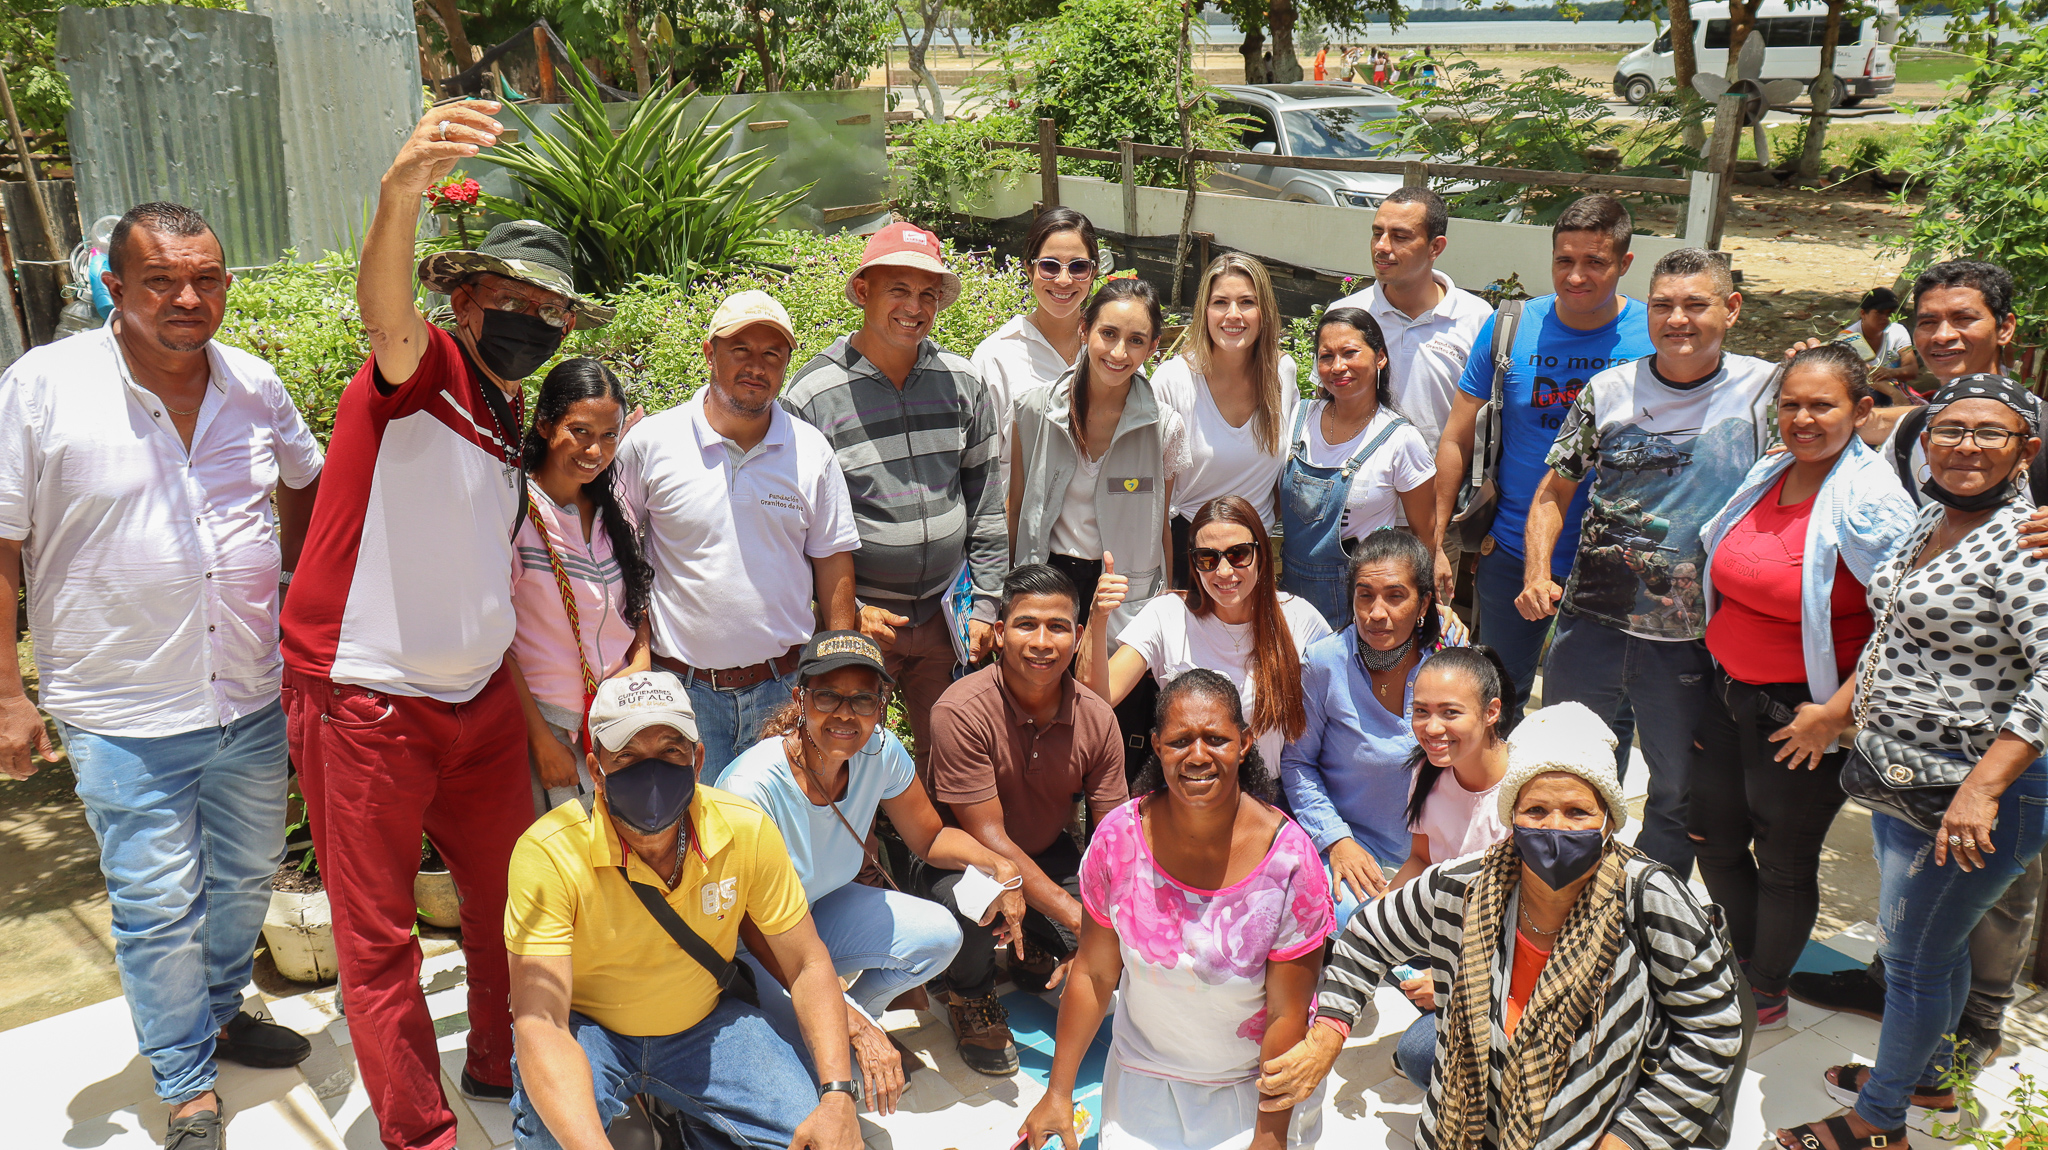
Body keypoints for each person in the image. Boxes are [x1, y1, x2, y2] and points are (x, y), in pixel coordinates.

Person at [281, 100, 612, 1150]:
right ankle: (419, 1133)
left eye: (547, 308)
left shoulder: (504, 409)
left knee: (509, 903)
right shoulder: (418, 373)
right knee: (378, 943)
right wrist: (399, 191)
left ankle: (501, 1060)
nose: (526, 316)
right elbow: (384, 316)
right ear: (461, 299)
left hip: (473, 710)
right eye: (504, 295)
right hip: (368, 704)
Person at [0, 201, 322, 1150]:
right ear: (114, 282)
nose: (188, 297)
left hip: (247, 693)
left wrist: (293, 593)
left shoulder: (255, 386)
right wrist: (7, 694)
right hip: (116, 705)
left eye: (206, 278)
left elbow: (306, 477)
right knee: (154, 908)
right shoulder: (43, 386)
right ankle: (185, 1082)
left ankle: (217, 1012)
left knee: (246, 880)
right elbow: (2, 546)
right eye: (160, 280)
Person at [1258, 701, 1745, 1150]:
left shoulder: (1650, 899)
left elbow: (1713, 1033)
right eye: (1536, 810)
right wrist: (1328, 1032)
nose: (1555, 827)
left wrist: (1630, 1139)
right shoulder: (1463, 887)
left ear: (1609, 821)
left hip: (1589, 1130)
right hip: (1460, 1126)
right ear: (1511, 817)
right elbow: (1367, 936)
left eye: (1578, 812)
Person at [1771, 373, 2048, 1150]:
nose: (1966, 445)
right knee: (1931, 947)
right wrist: (1838, 712)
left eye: (1989, 433)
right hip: (1907, 780)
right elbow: (1893, 634)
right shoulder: (1931, 516)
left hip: (1980, 793)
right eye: (1949, 429)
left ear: (2023, 450)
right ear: (1925, 443)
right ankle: (1924, 1081)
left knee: (1917, 957)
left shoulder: (2028, 547)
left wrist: (1982, 791)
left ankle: (1878, 1122)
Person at [503, 671, 864, 1150]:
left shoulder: (745, 830)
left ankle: (691, 1122)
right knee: (553, 1135)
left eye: (670, 752)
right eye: (627, 756)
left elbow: (807, 963)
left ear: (697, 760)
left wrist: (838, 1096)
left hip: (704, 1025)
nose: (650, 773)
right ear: (596, 769)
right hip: (591, 1031)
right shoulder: (548, 854)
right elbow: (540, 1019)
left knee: (817, 1135)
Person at [1519, 247, 1777, 874]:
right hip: (1591, 625)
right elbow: (1554, 491)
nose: (1677, 319)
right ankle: (1560, 893)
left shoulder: (1767, 392)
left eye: (1696, 304)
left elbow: (1846, 432)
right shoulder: (1609, 389)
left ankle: (1652, 917)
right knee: (1562, 771)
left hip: (1692, 639)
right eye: (1663, 305)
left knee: (1674, 795)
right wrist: (1536, 572)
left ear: (1732, 309)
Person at [1690, 344, 1918, 1029]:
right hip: (1728, 692)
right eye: (1791, 404)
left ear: (1862, 410)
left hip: (1803, 714)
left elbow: (1906, 621)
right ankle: (1738, 954)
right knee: (1711, 836)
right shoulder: (1771, 471)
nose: (1803, 418)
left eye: (1823, 404)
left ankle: (1764, 988)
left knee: (1783, 857)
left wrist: (1835, 714)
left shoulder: (1870, 500)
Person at [1019, 670, 1335, 1150]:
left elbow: (1286, 1015)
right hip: (1143, 1075)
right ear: (1158, 746)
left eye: (1216, 738)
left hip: (1253, 1088)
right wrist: (1058, 1092)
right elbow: (1095, 974)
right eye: (1181, 740)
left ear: (1245, 743)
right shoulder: (1118, 840)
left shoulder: (1292, 862)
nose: (1198, 755)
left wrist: (1269, 1139)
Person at [717, 630, 1026, 1094]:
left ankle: (860, 1017)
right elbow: (748, 924)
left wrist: (999, 866)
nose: (846, 714)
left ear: (880, 707)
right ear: (801, 699)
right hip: (755, 944)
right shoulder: (751, 787)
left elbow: (930, 836)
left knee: (941, 935)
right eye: (828, 696)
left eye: (863, 700)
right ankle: (832, 1030)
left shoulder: (880, 751)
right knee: (825, 1079)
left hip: (819, 910)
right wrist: (838, 1015)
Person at [786, 222, 1006, 778]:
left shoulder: (962, 383)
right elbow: (791, 533)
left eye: (928, 294)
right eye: (898, 291)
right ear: (864, 292)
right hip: (862, 620)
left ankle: (937, 863)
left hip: (944, 615)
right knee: (845, 758)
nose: (915, 307)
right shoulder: (812, 396)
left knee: (951, 756)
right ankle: (859, 862)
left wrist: (984, 605)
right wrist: (844, 612)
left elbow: (986, 503)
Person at [613, 290, 859, 775]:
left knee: (779, 833)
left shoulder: (811, 451)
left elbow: (833, 563)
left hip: (783, 687)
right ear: (709, 352)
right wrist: (638, 656)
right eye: (740, 350)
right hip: (682, 691)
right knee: (691, 836)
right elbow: (620, 558)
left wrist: (842, 670)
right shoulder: (651, 444)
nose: (756, 366)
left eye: (772, 354)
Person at [1432, 194, 1656, 716]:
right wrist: (1437, 540)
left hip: (1614, 560)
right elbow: (1455, 438)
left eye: (1594, 262)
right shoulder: (1512, 326)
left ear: (1624, 264)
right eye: (1564, 261)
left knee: (1597, 715)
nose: (1576, 276)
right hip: (1511, 551)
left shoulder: (1652, 334)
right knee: (1495, 702)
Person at [917, 564, 1130, 1076]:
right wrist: (1079, 917)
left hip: (1047, 850)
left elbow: (1113, 836)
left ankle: (1032, 943)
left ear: (1078, 637)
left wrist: (1110, 924)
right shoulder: (960, 709)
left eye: (1057, 627)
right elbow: (987, 837)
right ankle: (968, 994)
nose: (1042, 641)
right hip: (965, 863)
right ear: (998, 634)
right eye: (1025, 624)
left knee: (1104, 941)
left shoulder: (1097, 717)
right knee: (978, 903)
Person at [1283, 529, 1458, 927]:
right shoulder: (1325, 663)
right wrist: (1336, 840)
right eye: (1365, 595)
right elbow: (1297, 763)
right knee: (1357, 926)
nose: (1377, 613)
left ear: (1424, 603)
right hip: (1355, 854)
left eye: (1396, 596)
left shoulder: (1451, 663)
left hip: (1440, 858)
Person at [1088, 496, 1330, 778]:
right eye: (1208, 558)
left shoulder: (1300, 619)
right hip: (1190, 790)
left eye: (1238, 554)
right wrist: (1098, 617)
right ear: (1194, 564)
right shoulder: (1167, 614)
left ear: (1261, 555)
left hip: (1272, 797)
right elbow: (1100, 697)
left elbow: (1339, 714)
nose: (1224, 571)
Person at [511, 358, 652, 815]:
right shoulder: (515, 513)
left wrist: (641, 660)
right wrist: (539, 739)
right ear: (545, 425)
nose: (596, 450)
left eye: (610, 435)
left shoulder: (617, 511)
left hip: (617, 721)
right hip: (545, 727)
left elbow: (638, 601)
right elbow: (496, 644)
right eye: (581, 432)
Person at [1010, 275, 1183, 631]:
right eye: (1108, 334)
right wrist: (1006, 593)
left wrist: (1165, 601)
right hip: (1047, 582)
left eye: (1135, 341)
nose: (1119, 353)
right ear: (1084, 329)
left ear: (1152, 348)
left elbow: (1160, 525)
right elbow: (1016, 509)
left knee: (1112, 687)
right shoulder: (1034, 410)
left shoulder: (1164, 427)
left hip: (1123, 593)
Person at [1383, 645, 1518, 1086]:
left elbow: (1523, 929)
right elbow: (1421, 857)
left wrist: (1447, 982)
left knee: (1418, 1055)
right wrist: (1382, 915)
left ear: (1491, 711)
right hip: (1448, 928)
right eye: (1421, 711)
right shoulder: (1427, 770)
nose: (1431, 727)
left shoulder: (1528, 796)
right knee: (1355, 921)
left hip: (1502, 962)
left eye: (1450, 712)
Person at [1280, 307, 1437, 627]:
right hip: (1289, 602)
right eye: (1326, 356)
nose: (1338, 366)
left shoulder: (1401, 440)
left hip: (1361, 611)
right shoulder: (1299, 417)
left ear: (1380, 357)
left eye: (1350, 352)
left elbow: (1425, 536)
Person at [1154, 253, 1298, 588]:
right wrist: (1165, 583)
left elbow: (1280, 479)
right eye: (1220, 302)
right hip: (1189, 554)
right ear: (1204, 311)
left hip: (1254, 556)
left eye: (1247, 302)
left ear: (1265, 313)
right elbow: (1155, 502)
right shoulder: (1173, 381)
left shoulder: (1282, 373)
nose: (1233, 315)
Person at [1326, 186, 1491, 464]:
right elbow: (1327, 404)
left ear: (1435, 247)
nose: (1381, 246)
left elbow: (1480, 422)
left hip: (1439, 491)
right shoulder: (1346, 315)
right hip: (1355, 491)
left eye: (1400, 236)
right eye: (1377, 233)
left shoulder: (1476, 319)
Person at [970, 207, 1100, 487]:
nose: (1064, 280)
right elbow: (980, 465)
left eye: (1078, 267)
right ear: (1029, 268)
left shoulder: (1108, 351)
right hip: (1023, 524)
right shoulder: (996, 356)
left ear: (1093, 272)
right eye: (1050, 266)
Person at [1835, 286, 1918, 398]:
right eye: (1879, 313)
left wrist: (1891, 372)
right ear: (1863, 313)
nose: (1885, 318)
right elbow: (1865, 374)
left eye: (1889, 314)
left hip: (1894, 387)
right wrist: (1895, 395)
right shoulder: (1848, 337)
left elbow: (1912, 369)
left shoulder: (1898, 331)